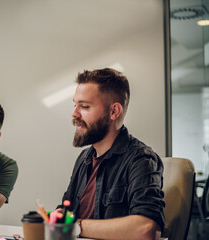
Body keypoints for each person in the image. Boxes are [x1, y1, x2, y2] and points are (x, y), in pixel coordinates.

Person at [60, 68, 165, 240]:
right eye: (75, 104)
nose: (74, 113)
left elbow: (146, 228)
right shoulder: (85, 158)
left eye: (84, 106)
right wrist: (58, 216)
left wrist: (75, 226)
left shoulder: (141, 159)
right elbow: (66, 211)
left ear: (114, 111)